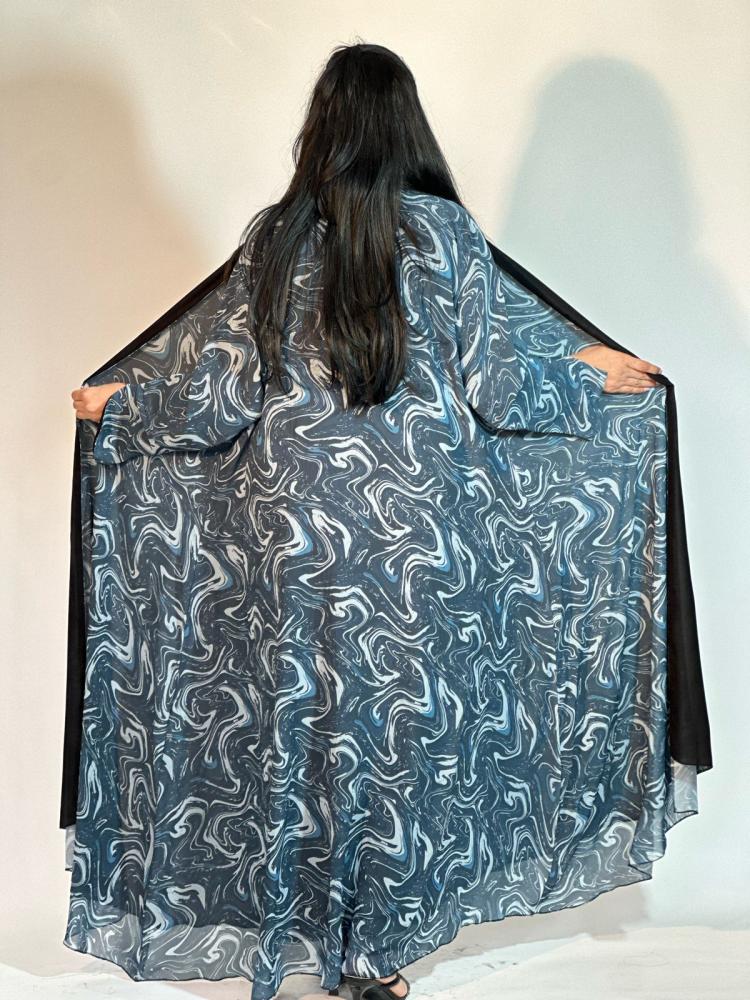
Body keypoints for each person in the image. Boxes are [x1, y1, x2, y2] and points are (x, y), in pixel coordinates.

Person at [69, 42, 664, 1000]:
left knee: (302, 728)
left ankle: (301, 935)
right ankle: (375, 957)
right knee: (393, 733)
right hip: (414, 536)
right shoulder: (448, 235)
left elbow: (223, 393)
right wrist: (593, 376)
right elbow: (500, 383)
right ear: (406, 125)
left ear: (323, 126)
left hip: (295, 530)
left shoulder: (277, 238)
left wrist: (123, 407)